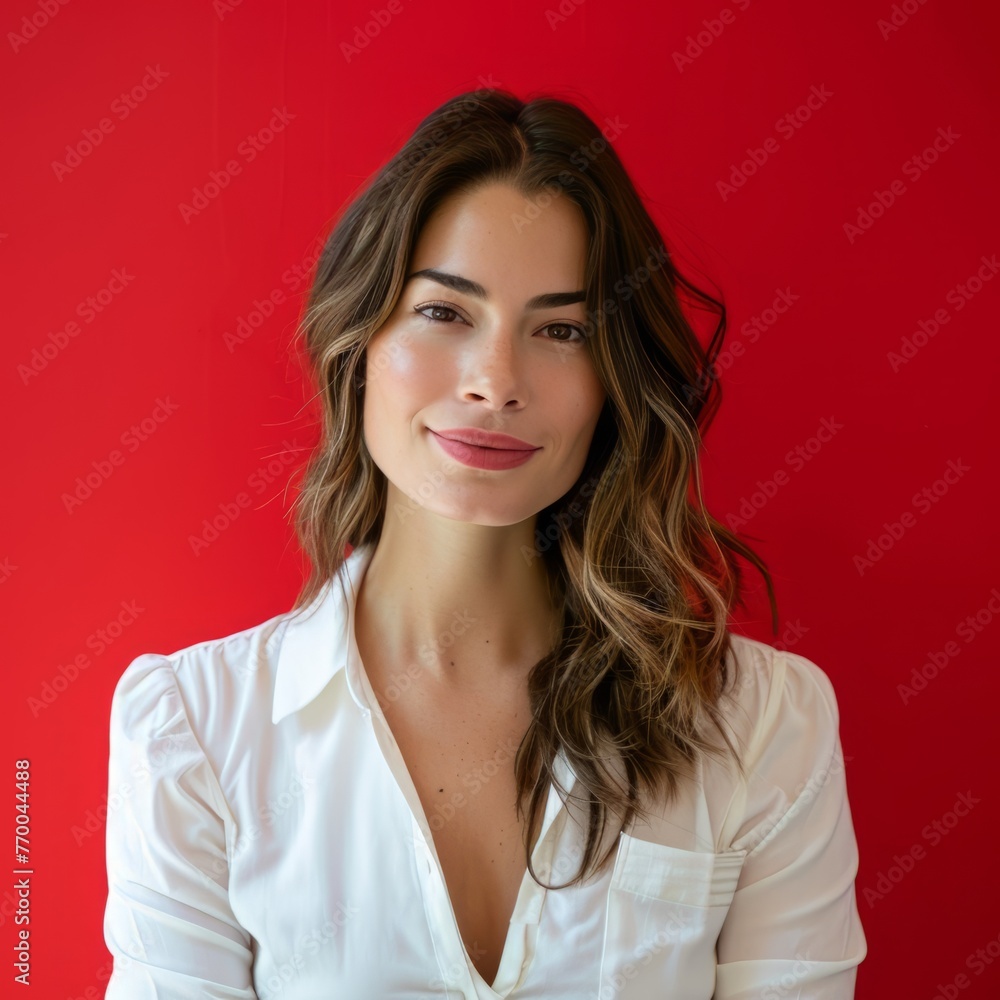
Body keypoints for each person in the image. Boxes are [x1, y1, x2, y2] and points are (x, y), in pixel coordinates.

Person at [103, 86, 867, 999]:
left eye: (561, 330)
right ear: (359, 339)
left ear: (613, 383)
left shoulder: (764, 723)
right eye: (445, 313)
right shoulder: (192, 730)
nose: (496, 382)